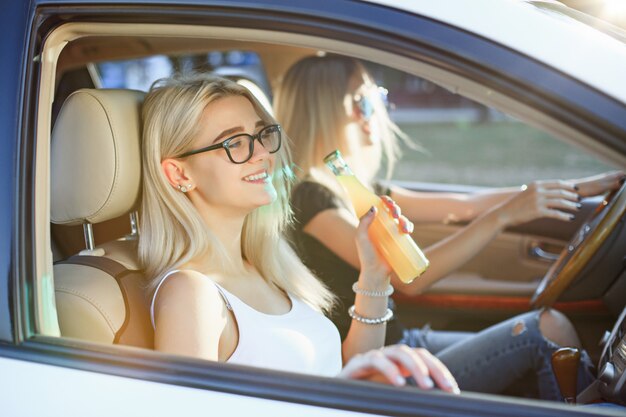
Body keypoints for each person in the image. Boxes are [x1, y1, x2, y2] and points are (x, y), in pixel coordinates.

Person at [275, 54, 624, 399]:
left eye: (375, 98)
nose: (375, 113)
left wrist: (575, 188)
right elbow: (410, 278)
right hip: (378, 365)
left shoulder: (358, 188)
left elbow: (464, 206)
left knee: (554, 329)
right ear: (322, 112)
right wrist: (504, 216)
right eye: (362, 102)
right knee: (545, 331)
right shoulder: (312, 200)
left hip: (403, 341)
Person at [138, 72, 459, 393]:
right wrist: (333, 395)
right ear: (179, 173)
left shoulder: (270, 265)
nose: (263, 153)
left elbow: (344, 371)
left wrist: (374, 275)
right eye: (234, 143)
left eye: (262, 134)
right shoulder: (191, 293)